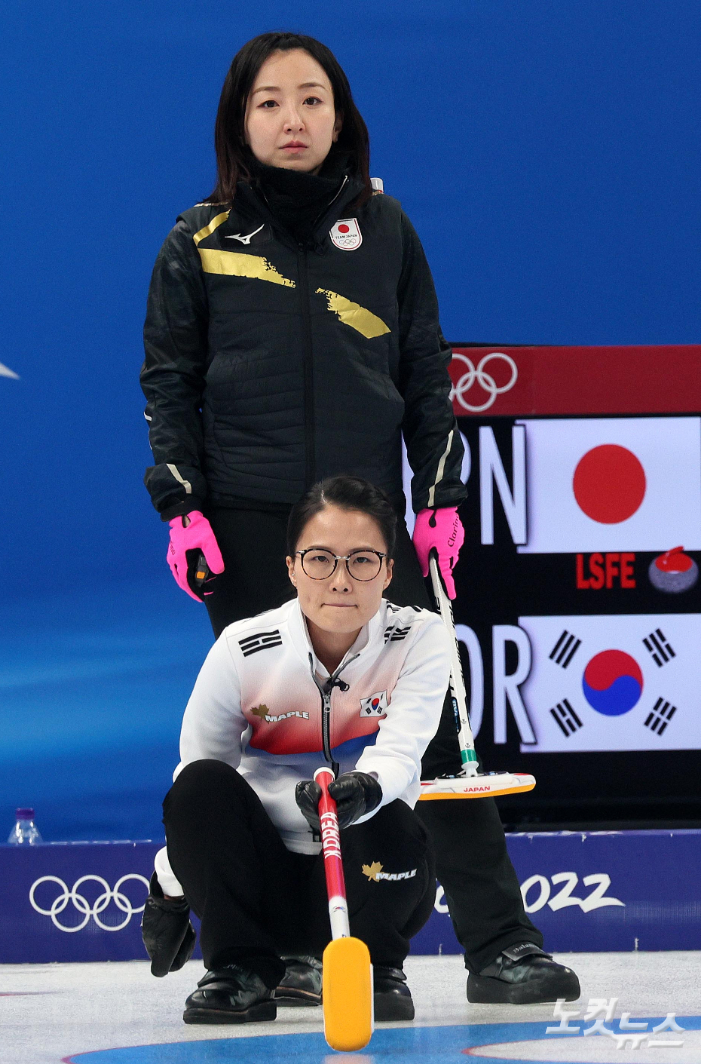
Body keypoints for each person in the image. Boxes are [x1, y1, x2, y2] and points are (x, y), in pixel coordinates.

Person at [140, 30, 579, 1006]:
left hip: (371, 529)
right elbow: (167, 385)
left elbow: (427, 375)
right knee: (275, 744)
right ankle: (281, 949)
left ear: (339, 115)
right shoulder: (197, 241)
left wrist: (438, 498)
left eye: (309, 99)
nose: (290, 119)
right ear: (237, 120)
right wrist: (184, 510)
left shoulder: (383, 230)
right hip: (254, 528)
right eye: (268, 102)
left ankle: (499, 945)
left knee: (427, 731)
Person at [142, 477, 446, 1023]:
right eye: (320, 559)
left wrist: (367, 790)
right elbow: (197, 791)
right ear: (290, 568)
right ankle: (240, 969)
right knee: (200, 783)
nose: (341, 580)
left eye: (362, 561)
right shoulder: (243, 647)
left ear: (389, 572)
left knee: (394, 816)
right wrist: (173, 880)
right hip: (261, 889)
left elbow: (404, 748)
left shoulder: (422, 637)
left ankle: (377, 965)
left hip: (364, 875)